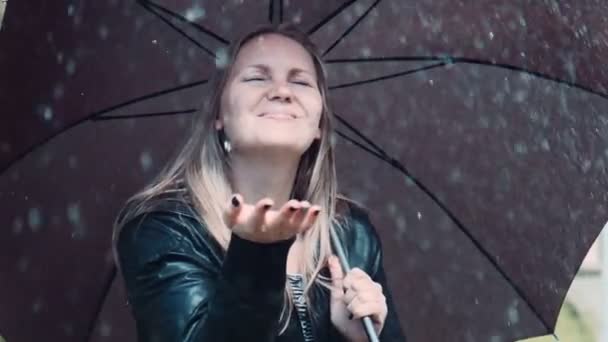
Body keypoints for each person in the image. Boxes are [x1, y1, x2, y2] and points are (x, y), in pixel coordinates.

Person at [112, 24, 406, 342]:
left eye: (301, 81)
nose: (282, 91)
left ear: (320, 123)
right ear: (219, 115)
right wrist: (256, 254)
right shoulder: (167, 229)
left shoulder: (351, 237)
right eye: (256, 77)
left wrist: (358, 339)